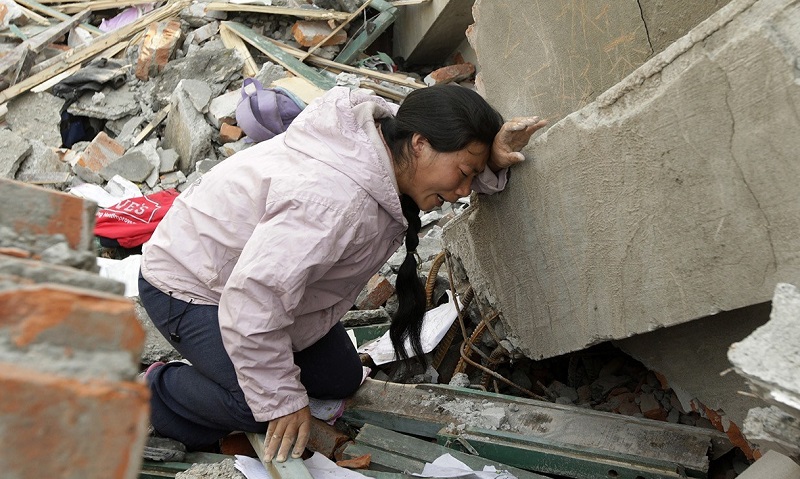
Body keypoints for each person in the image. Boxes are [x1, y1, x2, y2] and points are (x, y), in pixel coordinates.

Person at [138, 84, 546, 462]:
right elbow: (253, 299)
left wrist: (488, 158)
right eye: (464, 174)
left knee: (340, 378)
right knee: (261, 406)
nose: (463, 191)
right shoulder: (334, 203)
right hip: (193, 284)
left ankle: (236, 377)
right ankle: (156, 394)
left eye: (472, 177)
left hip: (263, 287)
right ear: (420, 145)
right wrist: (283, 401)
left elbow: (271, 287)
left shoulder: (387, 142)